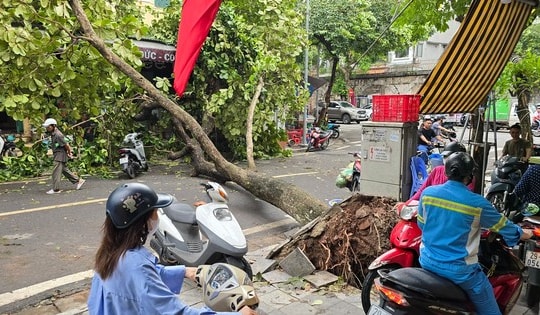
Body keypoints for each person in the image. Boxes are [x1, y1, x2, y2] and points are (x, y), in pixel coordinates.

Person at [87, 183, 257, 315]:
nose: (157, 215)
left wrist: (186, 271)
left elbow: (145, 278)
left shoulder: (111, 254)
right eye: (155, 211)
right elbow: (176, 312)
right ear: (143, 221)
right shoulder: (136, 266)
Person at [417, 152, 532, 315]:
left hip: (427, 260)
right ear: (470, 176)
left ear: (446, 171)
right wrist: (524, 233)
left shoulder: (428, 194)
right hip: (460, 271)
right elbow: (505, 227)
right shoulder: (477, 204)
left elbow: (422, 224)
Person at [42, 118, 85, 194]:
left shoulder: (58, 135)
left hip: (60, 155)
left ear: (53, 126)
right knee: (64, 170)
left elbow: (66, 145)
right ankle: (79, 180)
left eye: (48, 127)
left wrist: (69, 153)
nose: (47, 128)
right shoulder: (53, 133)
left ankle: (56, 189)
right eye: (47, 127)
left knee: (56, 172)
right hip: (58, 154)